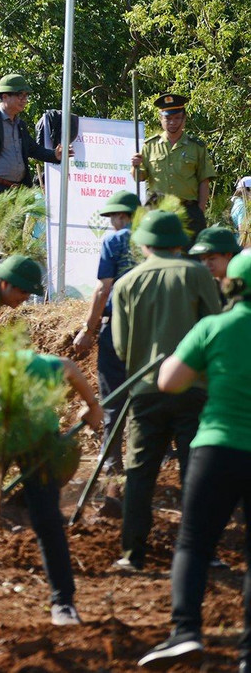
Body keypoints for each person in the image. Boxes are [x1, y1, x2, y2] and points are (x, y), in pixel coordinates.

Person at [137, 251, 251, 671]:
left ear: (231, 284)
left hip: (218, 447)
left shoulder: (213, 327)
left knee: (194, 543)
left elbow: (170, 382)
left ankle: (185, 632)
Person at [0, 335, 103, 630]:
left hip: (36, 437)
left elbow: (68, 366)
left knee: (46, 517)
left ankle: (63, 603)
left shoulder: (27, 367)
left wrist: (92, 405)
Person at [110, 210, 222, 572]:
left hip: (144, 390)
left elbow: (121, 346)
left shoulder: (126, 282)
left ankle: (132, 554)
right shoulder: (197, 274)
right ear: (180, 244)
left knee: (140, 472)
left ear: (144, 244)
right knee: (197, 471)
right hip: (194, 387)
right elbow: (214, 325)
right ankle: (202, 552)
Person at [71, 190, 140, 473]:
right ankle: (142, 457)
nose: (112, 222)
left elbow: (103, 287)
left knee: (112, 393)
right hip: (150, 325)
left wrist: (89, 329)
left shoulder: (115, 239)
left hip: (119, 324)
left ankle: (111, 460)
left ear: (123, 216)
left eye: (113, 216)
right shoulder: (154, 242)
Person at [0, 73, 65, 202]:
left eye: (26, 96)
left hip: (17, 192)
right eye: (20, 95)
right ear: (5, 96)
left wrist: (54, 155)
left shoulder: (20, 124)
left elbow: (33, 149)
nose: (24, 100)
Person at [132, 93, 214, 233]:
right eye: (168, 118)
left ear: (184, 119)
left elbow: (204, 180)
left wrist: (199, 210)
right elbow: (139, 177)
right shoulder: (149, 145)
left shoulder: (196, 147)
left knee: (189, 254)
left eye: (177, 118)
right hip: (157, 211)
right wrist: (135, 166)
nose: (172, 122)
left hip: (187, 212)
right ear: (161, 119)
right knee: (157, 253)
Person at [189, 227, 242, 298]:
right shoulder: (204, 287)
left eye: (211, 259)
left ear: (228, 254)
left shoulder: (244, 286)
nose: (206, 264)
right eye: (203, 259)